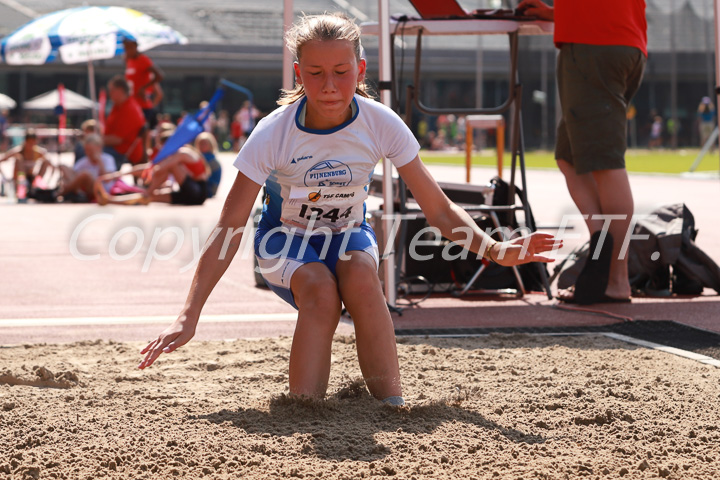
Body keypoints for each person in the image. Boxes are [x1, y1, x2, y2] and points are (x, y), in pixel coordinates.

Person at [137, 13, 559, 405]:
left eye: (341, 73)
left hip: (348, 235)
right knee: (321, 292)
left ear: (360, 70)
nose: (329, 87)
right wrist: (188, 315)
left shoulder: (381, 122)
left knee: (361, 276)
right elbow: (229, 226)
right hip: (283, 241)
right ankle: (304, 412)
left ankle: (390, 407)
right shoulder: (272, 133)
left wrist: (496, 250)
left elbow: (440, 210)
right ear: (298, 73)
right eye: (316, 74)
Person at [517, 0, 646, 305]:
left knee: (606, 162)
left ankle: (616, 279)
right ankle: (602, 248)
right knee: (569, 156)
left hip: (594, 44)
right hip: (622, 39)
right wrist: (556, 13)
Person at [103, 75, 147, 169]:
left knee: (86, 151)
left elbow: (118, 139)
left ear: (120, 90)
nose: (109, 93)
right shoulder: (118, 106)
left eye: (112, 90)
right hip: (114, 148)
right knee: (84, 149)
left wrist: (96, 140)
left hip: (122, 151)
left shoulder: (129, 109)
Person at [59, 134, 116, 202]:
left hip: (102, 190)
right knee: (63, 167)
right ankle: (71, 191)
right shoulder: (84, 161)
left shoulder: (108, 159)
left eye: (91, 150)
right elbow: (73, 176)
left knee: (85, 175)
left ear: (99, 148)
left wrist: (99, 162)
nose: (88, 153)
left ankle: (62, 192)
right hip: (84, 189)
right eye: (86, 150)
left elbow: (107, 180)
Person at [123, 37, 164, 131]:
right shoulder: (128, 61)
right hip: (132, 104)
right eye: (125, 48)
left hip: (143, 106)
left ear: (135, 46)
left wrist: (144, 88)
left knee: (142, 132)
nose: (127, 50)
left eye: (129, 47)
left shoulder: (144, 60)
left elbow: (159, 76)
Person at [1, 129, 53, 195]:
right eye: (29, 143)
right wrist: (5, 177)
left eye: (33, 143)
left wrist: (49, 180)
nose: (31, 145)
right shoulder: (18, 151)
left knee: (46, 161)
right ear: (25, 141)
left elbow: (52, 165)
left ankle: (36, 185)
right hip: (19, 179)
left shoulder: (38, 152)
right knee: (18, 159)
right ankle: (21, 188)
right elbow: (2, 160)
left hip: (31, 178)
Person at [195, 132, 222, 198]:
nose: (202, 146)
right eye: (200, 143)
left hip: (209, 189)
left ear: (211, 145)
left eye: (204, 144)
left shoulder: (209, 159)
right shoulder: (200, 157)